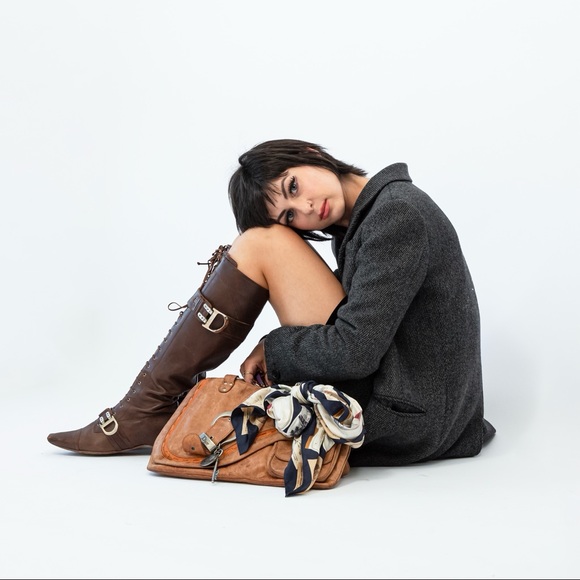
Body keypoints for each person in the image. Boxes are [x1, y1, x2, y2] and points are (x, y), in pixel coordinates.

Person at [47, 138, 495, 465]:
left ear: (311, 153)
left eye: (293, 186)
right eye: (290, 215)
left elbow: (356, 351)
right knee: (262, 240)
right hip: (415, 401)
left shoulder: (396, 213)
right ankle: (148, 407)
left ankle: (144, 409)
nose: (306, 209)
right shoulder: (369, 219)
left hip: (413, 417)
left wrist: (274, 346)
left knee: (261, 242)